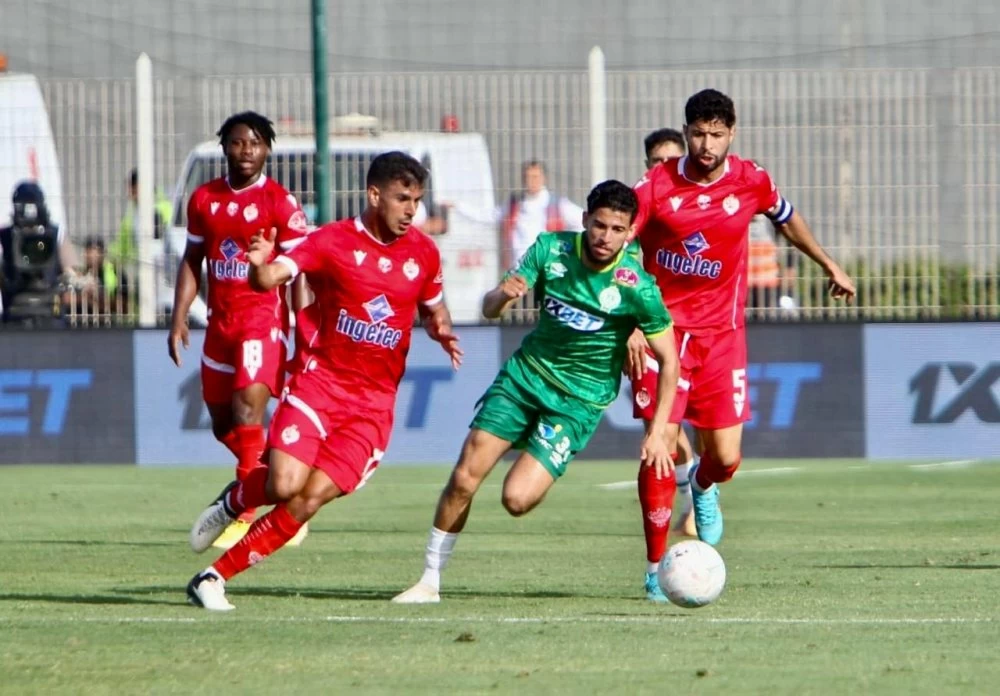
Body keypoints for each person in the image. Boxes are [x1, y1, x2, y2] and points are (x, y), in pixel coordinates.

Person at [185, 151, 463, 611]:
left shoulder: (423, 253)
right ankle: (234, 500)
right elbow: (272, 276)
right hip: (320, 384)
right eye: (402, 199)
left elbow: (433, 306)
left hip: (373, 408)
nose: (412, 209)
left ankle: (213, 577)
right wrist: (259, 266)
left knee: (309, 498)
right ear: (375, 195)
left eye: (417, 199)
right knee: (283, 482)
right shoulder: (331, 241)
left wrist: (442, 331)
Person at [393, 180, 679, 605]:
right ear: (584, 221)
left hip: (577, 403)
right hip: (525, 379)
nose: (605, 237)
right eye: (599, 225)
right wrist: (500, 296)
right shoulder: (550, 249)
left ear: (629, 232)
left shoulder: (636, 285)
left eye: (617, 230)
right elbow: (489, 309)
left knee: (516, 499)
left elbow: (670, 362)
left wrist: (658, 431)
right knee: (464, 476)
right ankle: (429, 580)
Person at [628, 89, 856, 561]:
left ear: (732, 133)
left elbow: (786, 219)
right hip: (661, 336)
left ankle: (703, 484)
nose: (706, 145)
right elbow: (619, 249)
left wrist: (827, 264)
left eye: (716, 135)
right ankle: (654, 568)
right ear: (685, 131)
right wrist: (630, 320)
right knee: (660, 445)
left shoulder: (751, 181)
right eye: (697, 134)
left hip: (722, 337)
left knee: (726, 457)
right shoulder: (654, 186)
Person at [168, 111, 311, 549]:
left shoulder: (280, 202)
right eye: (236, 143)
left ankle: (244, 513)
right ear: (224, 147)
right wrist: (179, 316)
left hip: (262, 324)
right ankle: (283, 486)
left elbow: (299, 269)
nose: (245, 150)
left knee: (249, 414)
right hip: (220, 326)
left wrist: (302, 329)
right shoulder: (204, 200)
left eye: (254, 143)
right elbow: (194, 260)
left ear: (267, 149)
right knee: (222, 423)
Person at [638, 128, 701, 550]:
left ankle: (697, 497)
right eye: (655, 162)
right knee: (657, 424)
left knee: (677, 429)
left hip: (700, 330)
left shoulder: (698, 209)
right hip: (653, 328)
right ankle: (689, 504)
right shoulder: (640, 206)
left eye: (670, 161)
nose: (663, 168)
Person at [501, 160, 585, 270]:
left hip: (547, 269)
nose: (530, 181)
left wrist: (569, 247)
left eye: (535, 177)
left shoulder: (557, 204)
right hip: (519, 269)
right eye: (527, 177)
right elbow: (490, 216)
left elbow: (583, 220)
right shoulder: (513, 205)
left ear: (543, 178)